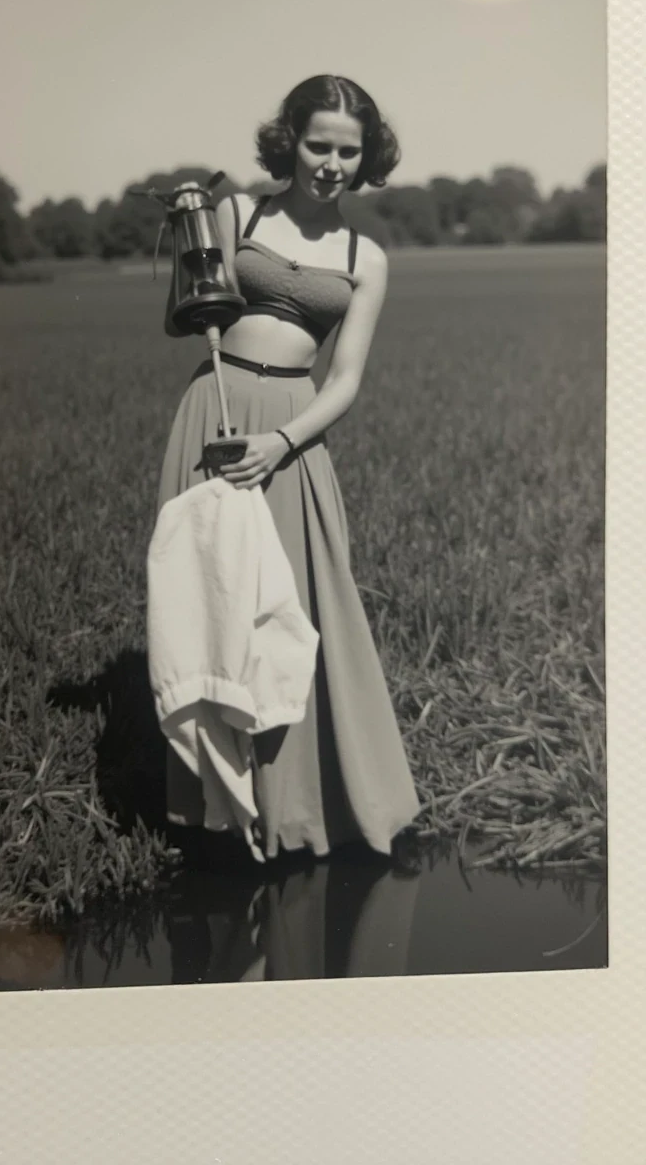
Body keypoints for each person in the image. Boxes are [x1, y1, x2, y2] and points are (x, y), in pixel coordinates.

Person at [157, 74, 420, 860]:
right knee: (213, 603)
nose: (332, 162)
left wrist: (281, 445)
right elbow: (185, 317)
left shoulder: (364, 256)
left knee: (298, 613)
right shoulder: (240, 212)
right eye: (318, 144)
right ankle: (214, 819)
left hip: (292, 437)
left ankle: (304, 811)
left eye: (349, 149)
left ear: (366, 156)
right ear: (289, 141)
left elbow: (346, 382)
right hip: (216, 414)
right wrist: (190, 238)